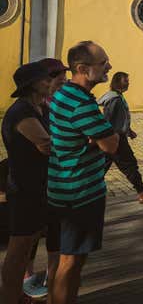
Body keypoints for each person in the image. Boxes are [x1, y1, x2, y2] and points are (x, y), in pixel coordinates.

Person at [48, 41, 119, 304]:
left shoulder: (63, 94)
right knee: (71, 261)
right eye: (103, 63)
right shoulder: (82, 104)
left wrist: (94, 137)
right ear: (81, 68)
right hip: (80, 193)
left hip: (60, 188)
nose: (109, 67)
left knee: (64, 260)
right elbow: (112, 144)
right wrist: (99, 137)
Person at [0, 62, 59, 304]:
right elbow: (47, 144)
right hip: (25, 189)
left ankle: (18, 295)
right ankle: (9, 298)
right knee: (18, 248)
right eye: (45, 79)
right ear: (33, 84)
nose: (50, 82)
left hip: (38, 187)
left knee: (27, 245)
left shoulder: (38, 108)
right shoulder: (21, 112)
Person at [21, 58, 69, 300]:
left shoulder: (45, 107)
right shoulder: (25, 110)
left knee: (52, 231)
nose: (59, 79)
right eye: (54, 76)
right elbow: (46, 144)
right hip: (31, 184)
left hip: (51, 180)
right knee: (28, 237)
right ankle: (25, 279)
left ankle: (51, 278)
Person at [98, 72, 143, 204]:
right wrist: (111, 137)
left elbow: (119, 118)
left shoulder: (118, 96)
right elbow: (108, 119)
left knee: (103, 166)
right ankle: (142, 192)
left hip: (116, 137)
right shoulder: (114, 99)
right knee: (129, 165)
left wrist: (128, 130)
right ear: (118, 82)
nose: (128, 83)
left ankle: (142, 191)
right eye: (126, 81)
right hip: (115, 139)